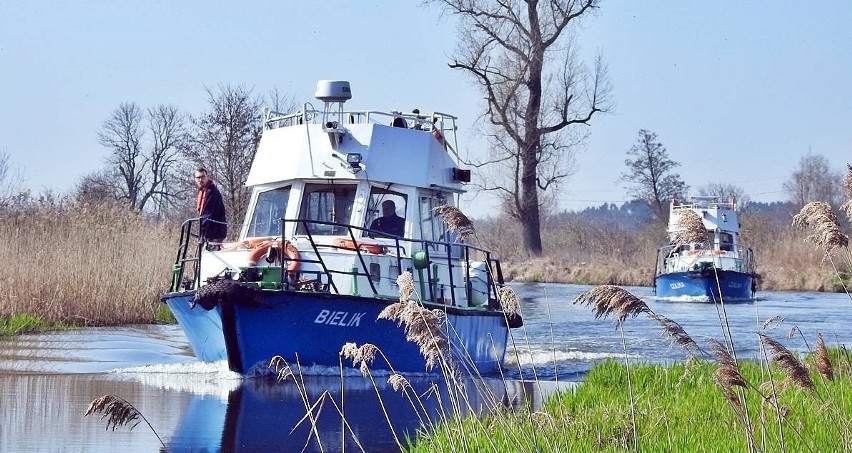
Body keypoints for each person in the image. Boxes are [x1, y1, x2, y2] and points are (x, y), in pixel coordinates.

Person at [195, 168, 227, 246]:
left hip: (215, 232)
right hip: (211, 232)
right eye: (198, 177)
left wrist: (201, 232)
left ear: (207, 177)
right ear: (195, 179)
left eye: (202, 177)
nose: (200, 179)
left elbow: (207, 214)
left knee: (211, 255)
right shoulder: (203, 191)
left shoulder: (211, 192)